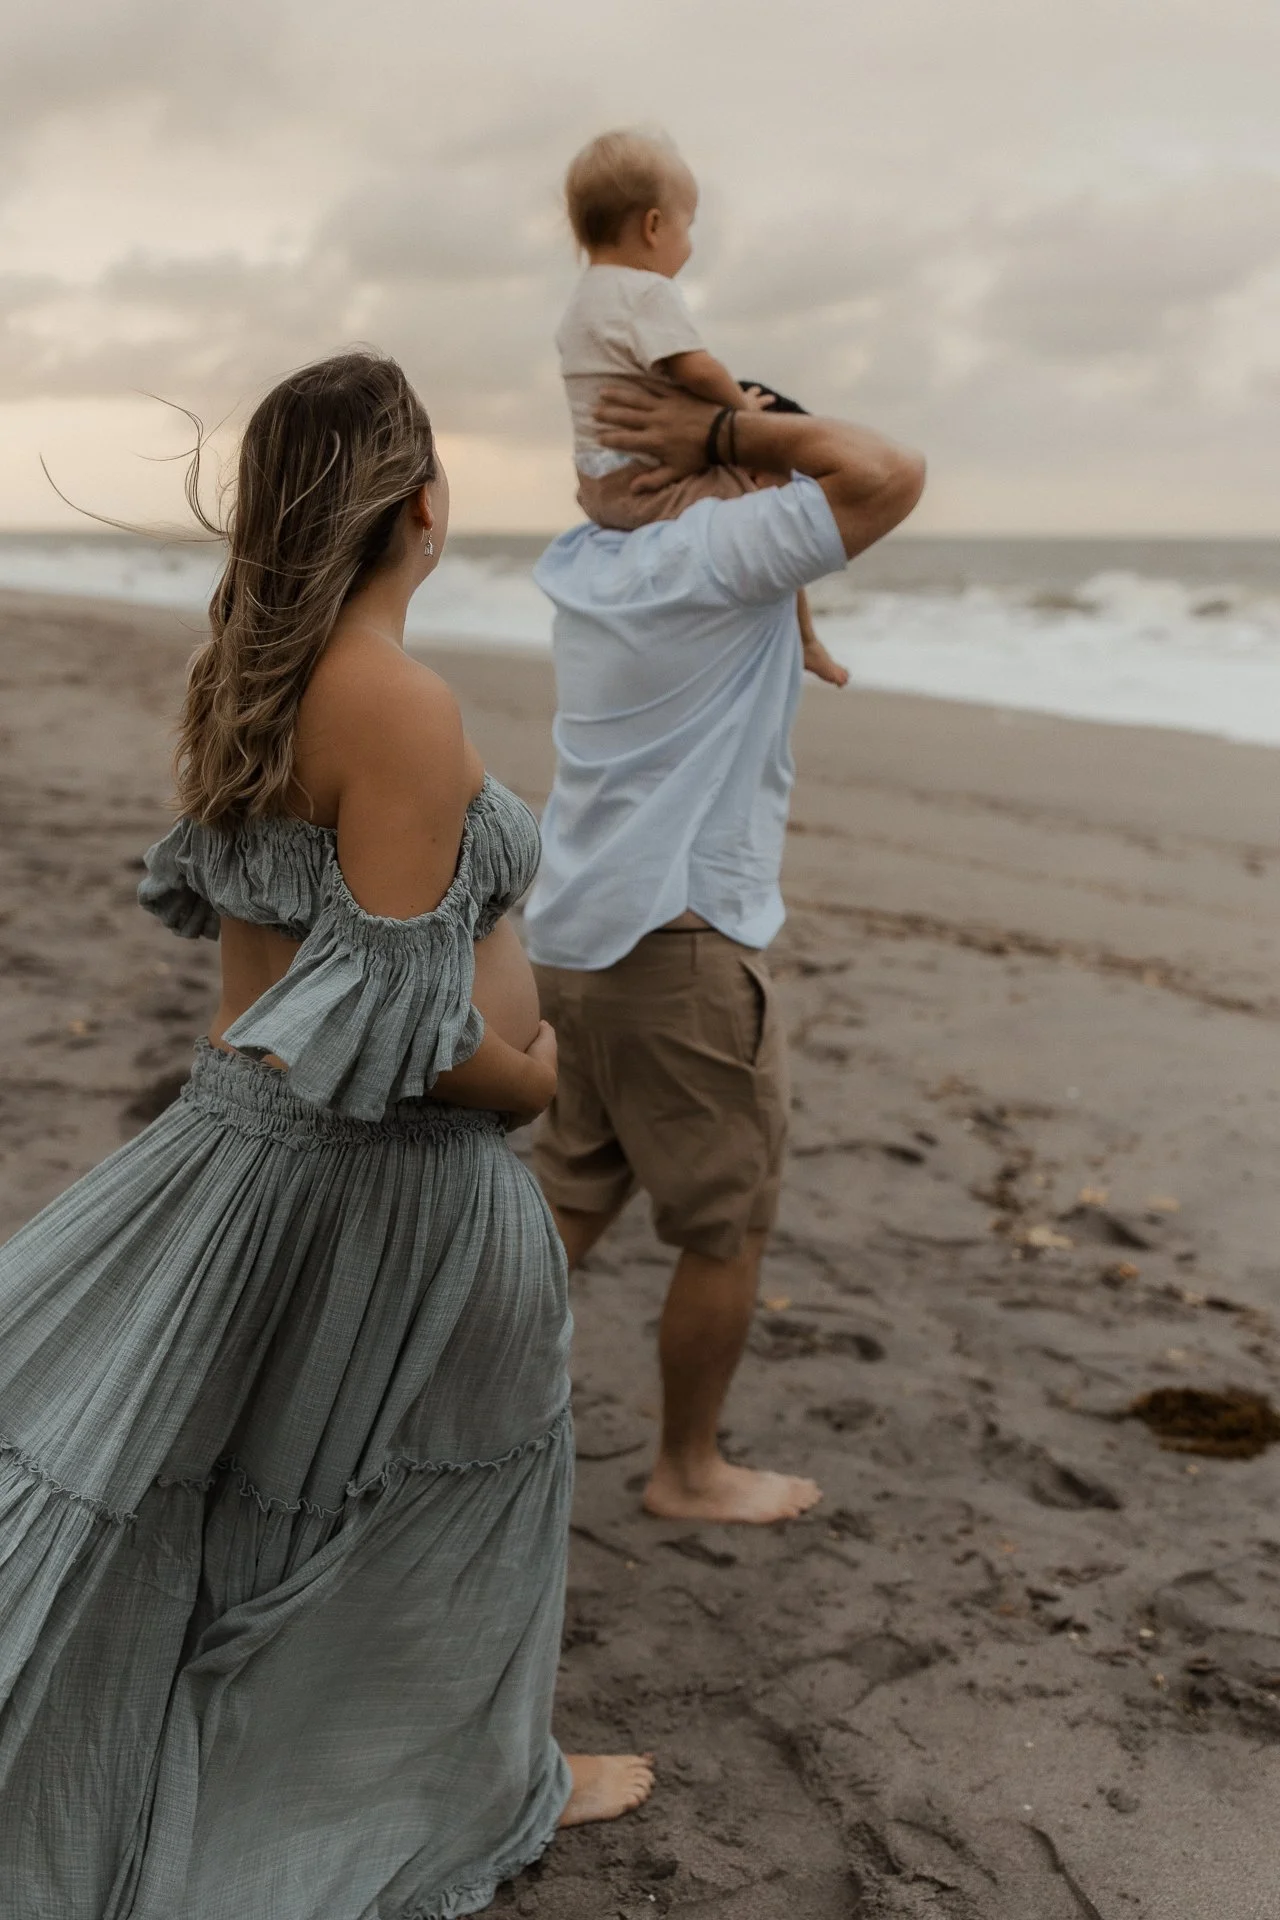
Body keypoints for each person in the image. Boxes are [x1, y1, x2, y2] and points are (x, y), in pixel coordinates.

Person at [0, 352, 651, 1919]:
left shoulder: (248, 672)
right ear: (424, 506)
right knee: (454, 1474)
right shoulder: (402, 707)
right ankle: (478, 1783)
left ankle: (420, 1757)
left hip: (240, 1153)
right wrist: (544, 1076)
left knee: (227, 1477)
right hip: (384, 1182)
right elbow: (416, 1045)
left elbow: (282, 970)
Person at [525, 382, 925, 1527]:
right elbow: (885, 469)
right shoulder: (713, 556)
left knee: (567, 1198)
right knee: (727, 1224)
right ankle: (688, 1470)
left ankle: (399, 1412)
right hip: (682, 952)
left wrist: (741, 498)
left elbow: (765, 506)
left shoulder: (587, 560)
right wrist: (728, 436)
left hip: (573, 937)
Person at [557, 126, 847, 688]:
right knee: (774, 487)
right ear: (654, 226)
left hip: (600, 491)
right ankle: (806, 639)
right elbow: (699, 369)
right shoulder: (646, 293)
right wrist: (744, 412)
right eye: (689, 224)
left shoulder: (579, 305)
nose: (689, 243)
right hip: (655, 484)